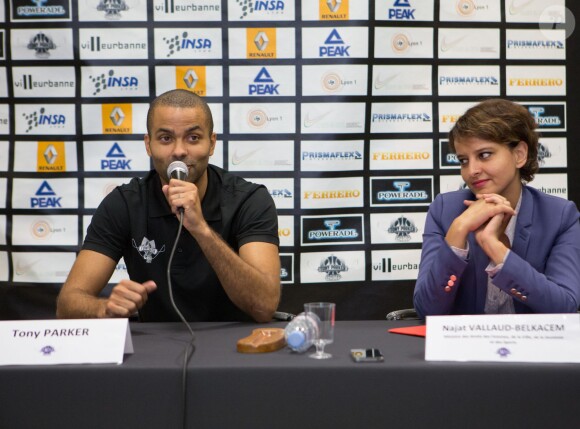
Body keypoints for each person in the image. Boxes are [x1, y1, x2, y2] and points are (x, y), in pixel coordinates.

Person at [57, 90, 281, 323]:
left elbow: (264, 305)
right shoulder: (123, 203)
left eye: (193, 138)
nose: (179, 151)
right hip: (154, 347)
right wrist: (105, 308)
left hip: (236, 348)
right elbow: (68, 304)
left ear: (212, 143)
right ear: (148, 145)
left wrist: (201, 229)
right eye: (166, 138)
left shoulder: (250, 199)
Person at [414, 98, 580, 317]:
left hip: (533, 347)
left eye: (484, 155)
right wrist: (459, 229)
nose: (471, 170)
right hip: (462, 348)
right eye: (463, 160)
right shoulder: (445, 210)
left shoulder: (560, 216)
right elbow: (427, 310)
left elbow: (564, 307)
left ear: (519, 154)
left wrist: (494, 247)